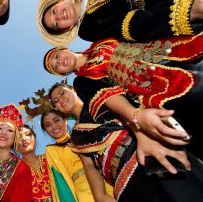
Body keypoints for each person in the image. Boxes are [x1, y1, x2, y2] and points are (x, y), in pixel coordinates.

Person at [43, 34, 203, 158]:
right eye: (56, 67)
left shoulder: (99, 42)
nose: (60, 62)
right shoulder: (82, 81)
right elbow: (107, 96)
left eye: (56, 56)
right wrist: (136, 117)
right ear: (63, 73)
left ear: (63, 49)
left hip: (174, 51)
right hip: (161, 92)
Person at [48, 82, 203, 201]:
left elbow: (133, 112)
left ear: (73, 90)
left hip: (148, 156)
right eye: (55, 100)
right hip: (123, 186)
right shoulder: (76, 135)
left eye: (62, 93)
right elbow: (89, 165)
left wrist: (143, 134)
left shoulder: (97, 98)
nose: (60, 99)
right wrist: (100, 196)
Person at [77, 0, 203, 42]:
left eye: (55, 10)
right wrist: (185, 11)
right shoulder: (86, 27)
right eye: (56, 24)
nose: (59, 16)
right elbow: (132, 27)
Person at [40, 109, 105, 202]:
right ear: (46, 131)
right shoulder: (51, 149)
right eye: (48, 125)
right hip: (84, 191)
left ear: (65, 120)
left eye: (56, 120)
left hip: (103, 180)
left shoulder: (81, 135)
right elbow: (61, 182)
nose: (54, 126)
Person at [17, 124, 52, 201]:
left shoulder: (50, 158)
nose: (24, 139)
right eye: (19, 137)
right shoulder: (15, 170)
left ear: (35, 138)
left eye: (28, 134)